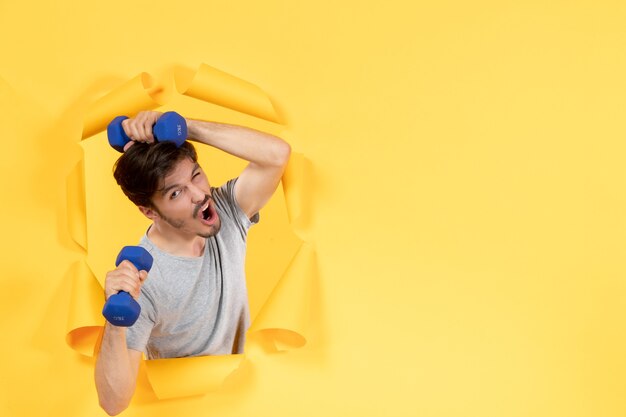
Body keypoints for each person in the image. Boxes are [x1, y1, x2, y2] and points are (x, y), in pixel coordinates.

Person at [94, 111, 291, 415]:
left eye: (196, 175)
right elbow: (113, 402)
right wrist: (114, 323)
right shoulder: (142, 281)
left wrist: (185, 128)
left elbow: (277, 155)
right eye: (176, 193)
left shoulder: (225, 210)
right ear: (150, 212)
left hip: (249, 398)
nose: (200, 195)